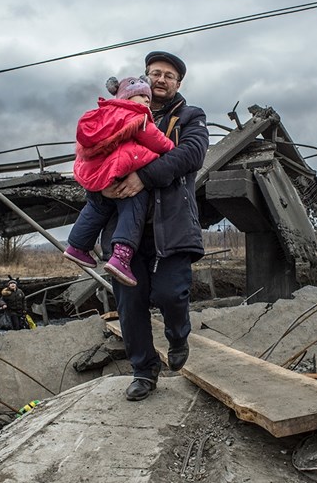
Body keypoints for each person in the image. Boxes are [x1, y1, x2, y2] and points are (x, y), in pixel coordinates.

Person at [101, 51, 209, 401]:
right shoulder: (118, 113)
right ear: (144, 79)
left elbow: (191, 155)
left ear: (178, 83)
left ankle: (178, 336)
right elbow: (93, 152)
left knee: (169, 294)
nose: (160, 79)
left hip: (172, 226)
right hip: (124, 234)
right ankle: (143, 371)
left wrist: (143, 176)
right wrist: (100, 182)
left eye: (168, 75)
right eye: (154, 74)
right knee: (130, 305)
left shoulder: (191, 116)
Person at [63, 76, 175, 287]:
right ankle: (121, 257)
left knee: (97, 206)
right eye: (142, 95)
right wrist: (172, 149)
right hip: (122, 170)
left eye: (148, 97)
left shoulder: (105, 115)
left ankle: (77, 246)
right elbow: (157, 141)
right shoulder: (136, 117)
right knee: (133, 206)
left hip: (101, 173)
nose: (146, 100)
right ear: (127, 97)